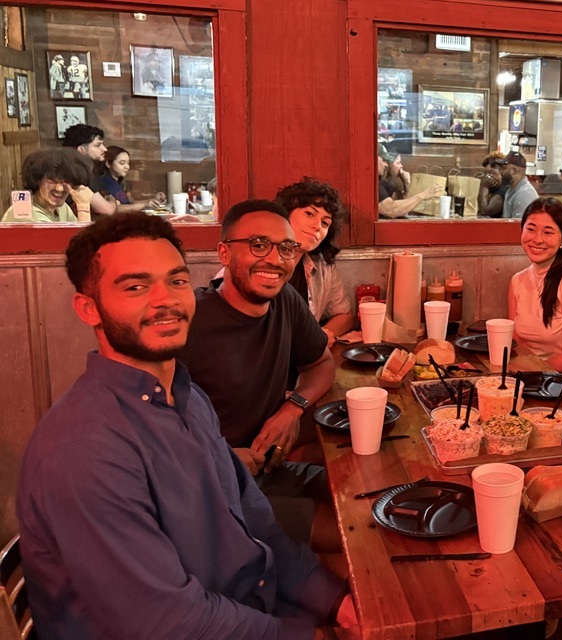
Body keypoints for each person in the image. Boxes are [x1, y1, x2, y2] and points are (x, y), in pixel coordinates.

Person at [16, 212, 357, 639]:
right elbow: (168, 624)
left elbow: (259, 527)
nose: (166, 300)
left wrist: (336, 602)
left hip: (243, 607)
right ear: (89, 309)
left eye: (176, 281)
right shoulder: (83, 452)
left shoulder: (188, 397)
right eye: (136, 286)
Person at [179, 199, 336, 540]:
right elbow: (149, 435)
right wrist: (220, 458)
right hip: (213, 494)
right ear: (224, 254)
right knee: (349, 532)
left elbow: (322, 363)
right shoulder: (187, 323)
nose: (275, 260)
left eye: (286, 248)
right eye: (259, 245)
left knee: (362, 495)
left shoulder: (285, 301)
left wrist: (293, 408)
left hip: (270, 472)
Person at [508, 198, 562, 373]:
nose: (537, 239)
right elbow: (514, 340)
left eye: (548, 232)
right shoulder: (517, 280)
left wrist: (529, 372)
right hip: (526, 375)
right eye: (531, 229)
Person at [276, 177, 355, 347]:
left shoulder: (321, 265)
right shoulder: (258, 264)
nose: (318, 226)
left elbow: (345, 315)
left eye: (325, 223)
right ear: (285, 213)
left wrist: (321, 336)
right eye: (309, 214)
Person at [2, 149, 93, 223]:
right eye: (52, 181)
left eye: (66, 182)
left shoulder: (62, 208)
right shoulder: (24, 214)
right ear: (37, 179)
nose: (59, 188)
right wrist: (83, 207)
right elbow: (84, 240)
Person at [62, 123, 118, 216]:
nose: (104, 149)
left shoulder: (88, 170)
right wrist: (112, 200)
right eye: (97, 145)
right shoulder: (79, 174)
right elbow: (107, 210)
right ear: (81, 149)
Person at [377, 145, 442, 218]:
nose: (386, 164)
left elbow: (402, 208)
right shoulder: (380, 184)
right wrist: (423, 195)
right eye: (398, 163)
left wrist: (406, 183)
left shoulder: (385, 183)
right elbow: (392, 210)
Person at [95, 145, 163, 211]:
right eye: (122, 163)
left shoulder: (120, 183)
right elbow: (114, 209)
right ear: (108, 164)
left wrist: (151, 201)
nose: (127, 167)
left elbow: (129, 204)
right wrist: (144, 204)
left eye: (128, 163)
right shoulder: (103, 184)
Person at [497, 150, 539, 218]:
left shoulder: (524, 193)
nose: (500, 172)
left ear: (514, 170)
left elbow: (518, 224)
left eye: (504, 168)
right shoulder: (510, 191)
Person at [478, 150, 509, 218]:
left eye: (491, 172)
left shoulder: (505, 188)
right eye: (486, 173)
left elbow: (485, 211)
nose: (488, 176)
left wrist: (485, 187)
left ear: (502, 171)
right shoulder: (493, 187)